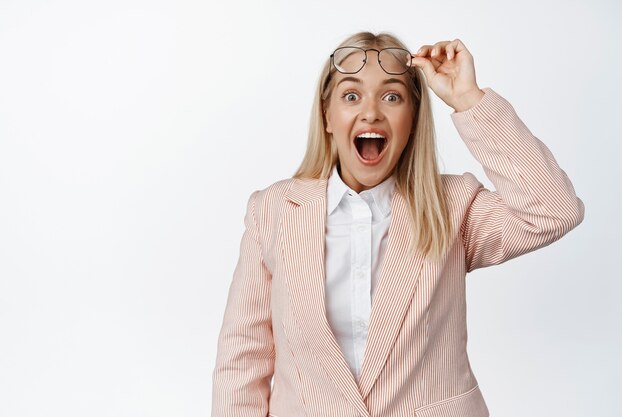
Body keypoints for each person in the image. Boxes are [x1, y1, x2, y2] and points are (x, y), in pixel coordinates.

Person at [211, 31, 584, 417]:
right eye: (351, 96)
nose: (371, 111)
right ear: (327, 116)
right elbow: (243, 359)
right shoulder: (272, 211)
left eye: (392, 96)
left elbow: (555, 210)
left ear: (412, 119)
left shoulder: (453, 207)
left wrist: (467, 100)